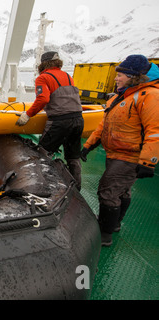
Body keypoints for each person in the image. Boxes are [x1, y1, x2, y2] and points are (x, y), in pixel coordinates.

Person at [81, 54, 159, 246]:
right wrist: (88, 145)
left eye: (121, 75)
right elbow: (104, 125)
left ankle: (104, 234)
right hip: (115, 153)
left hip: (129, 156)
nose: (116, 78)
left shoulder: (150, 96)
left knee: (107, 191)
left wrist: (148, 162)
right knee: (121, 191)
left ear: (134, 76)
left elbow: (155, 131)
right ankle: (114, 224)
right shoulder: (120, 97)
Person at [16, 51, 84, 190]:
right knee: (73, 156)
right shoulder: (68, 76)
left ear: (42, 64)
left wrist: (28, 115)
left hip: (59, 121)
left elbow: (43, 99)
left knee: (43, 153)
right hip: (78, 120)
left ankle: (42, 186)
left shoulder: (43, 78)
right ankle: (77, 188)